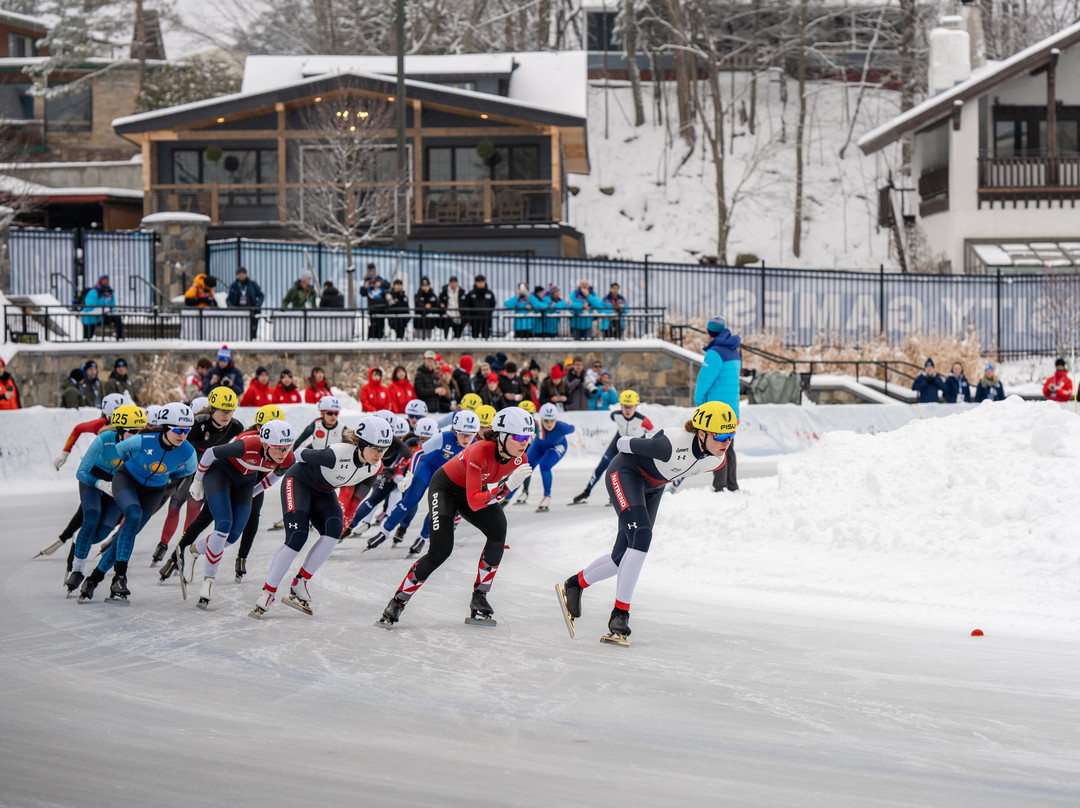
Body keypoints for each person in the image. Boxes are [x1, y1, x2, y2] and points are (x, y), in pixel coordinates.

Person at [556, 401, 735, 642]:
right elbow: (622, 444)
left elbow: (686, 469)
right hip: (625, 473)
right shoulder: (669, 443)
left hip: (654, 488)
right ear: (701, 432)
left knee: (620, 559)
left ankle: (575, 584)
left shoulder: (716, 459)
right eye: (722, 435)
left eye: (731, 435)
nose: (727, 442)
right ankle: (620, 613)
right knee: (642, 537)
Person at [377, 407, 534, 628]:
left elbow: (478, 496)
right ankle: (397, 601)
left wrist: (503, 488)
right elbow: (473, 501)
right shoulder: (479, 450)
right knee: (440, 551)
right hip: (445, 490)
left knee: (498, 530)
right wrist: (506, 486)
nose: (524, 442)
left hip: (474, 490)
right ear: (501, 436)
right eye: (519, 437)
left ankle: (480, 597)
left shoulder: (520, 458)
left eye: (527, 437)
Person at [250, 416, 392, 619]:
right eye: (375, 448)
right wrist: (265, 480)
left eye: (383, 449)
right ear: (361, 444)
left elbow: (359, 483)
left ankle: (301, 582)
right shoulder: (336, 453)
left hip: (324, 492)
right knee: (297, 536)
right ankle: (268, 592)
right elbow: (298, 454)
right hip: (298, 482)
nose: (380, 454)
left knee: (334, 530)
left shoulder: (375, 466)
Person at [77, 403, 197, 603]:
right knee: (133, 515)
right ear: (166, 427)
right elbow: (121, 449)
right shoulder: (144, 440)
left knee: (126, 534)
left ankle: (93, 579)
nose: (182, 435)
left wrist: (167, 475)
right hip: (127, 480)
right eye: (178, 429)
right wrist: (132, 466)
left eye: (186, 430)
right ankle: (119, 577)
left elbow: (188, 470)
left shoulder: (188, 451)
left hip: (154, 491)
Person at [159, 403, 287, 584]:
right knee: (207, 518)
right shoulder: (247, 439)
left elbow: (278, 472)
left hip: (251, 482)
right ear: (259, 428)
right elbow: (216, 456)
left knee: (252, 516)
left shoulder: (282, 445)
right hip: (230, 478)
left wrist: (255, 490)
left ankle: (242, 558)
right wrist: (199, 481)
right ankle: (175, 557)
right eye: (266, 428)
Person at [184, 420, 296, 609]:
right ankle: (209, 580)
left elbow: (275, 476)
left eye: (287, 448)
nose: (283, 453)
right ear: (266, 444)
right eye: (279, 448)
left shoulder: (287, 457)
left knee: (233, 536)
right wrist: (197, 482)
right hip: (219, 474)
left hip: (245, 482)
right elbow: (210, 453)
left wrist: (254, 491)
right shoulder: (248, 444)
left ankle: (193, 551)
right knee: (224, 525)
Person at [362, 410, 480, 553]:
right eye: (463, 434)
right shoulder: (444, 437)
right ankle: (384, 532)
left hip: (446, 476)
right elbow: (418, 452)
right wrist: (410, 475)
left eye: (471, 435)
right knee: (409, 500)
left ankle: (423, 537)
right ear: (455, 430)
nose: (466, 439)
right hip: (428, 468)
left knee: (438, 508)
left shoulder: (476, 446)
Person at [151, 386, 244, 565]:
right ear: (213, 409)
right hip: (185, 463)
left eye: (231, 411)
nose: (227, 415)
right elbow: (173, 440)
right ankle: (163, 545)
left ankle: (182, 548)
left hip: (206, 468)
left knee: (193, 507)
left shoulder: (235, 426)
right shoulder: (198, 422)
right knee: (174, 504)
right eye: (223, 411)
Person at [64, 405, 146, 596]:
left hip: (117, 481)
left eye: (142, 430)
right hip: (93, 478)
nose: (139, 435)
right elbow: (81, 472)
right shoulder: (104, 440)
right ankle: (77, 570)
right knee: (91, 516)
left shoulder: (141, 444)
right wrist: (100, 484)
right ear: (119, 430)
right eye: (133, 431)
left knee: (102, 533)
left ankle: (79, 539)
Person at [572, 389, 654, 505]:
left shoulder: (642, 420)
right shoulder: (615, 415)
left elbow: (653, 431)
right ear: (621, 405)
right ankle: (586, 492)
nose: (627, 410)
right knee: (602, 466)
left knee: (633, 472)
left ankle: (640, 494)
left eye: (630, 407)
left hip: (636, 446)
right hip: (618, 443)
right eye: (625, 406)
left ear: (636, 406)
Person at [694, 315, 742, 494]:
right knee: (729, 446)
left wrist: (699, 402)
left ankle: (719, 486)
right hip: (732, 409)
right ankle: (732, 485)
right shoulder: (734, 352)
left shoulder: (714, 353)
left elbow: (704, 380)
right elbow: (733, 384)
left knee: (718, 447)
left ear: (708, 331)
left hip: (716, 410)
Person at [507, 402, 574, 512]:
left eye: (552, 420)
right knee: (524, 468)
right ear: (541, 419)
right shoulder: (536, 425)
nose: (549, 423)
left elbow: (573, 428)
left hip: (557, 446)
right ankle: (507, 498)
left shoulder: (562, 427)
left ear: (556, 419)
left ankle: (547, 496)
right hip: (539, 446)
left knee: (544, 466)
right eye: (546, 420)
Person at [82, 275, 123, 340]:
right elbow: (90, 306)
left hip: (103, 316)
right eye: (104, 280)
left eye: (107, 280)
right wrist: (102, 309)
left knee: (117, 317)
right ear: (100, 281)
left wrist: (112, 311)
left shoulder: (110, 293)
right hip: (91, 317)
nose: (106, 282)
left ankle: (120, 337)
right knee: (88, 337)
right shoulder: (94, 292)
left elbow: (113, 306)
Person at [361, 263, 390, 338]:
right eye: (369, 270)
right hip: (372, 307)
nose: (371, 272)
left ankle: (380, 337)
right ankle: (372, 338)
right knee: (373, 324)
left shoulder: (380, 278)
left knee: (381, 324)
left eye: (372, 270)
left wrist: (380, 284)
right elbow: (362, 293)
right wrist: (366, 287)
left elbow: (388, 285)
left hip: (382, 306)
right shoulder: (365, 280)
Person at [465, 274, 496, 339]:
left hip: (486, 319)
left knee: (486, 337)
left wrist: (488, 313)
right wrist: (468, 320)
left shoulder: (489, 293)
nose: (480, 284)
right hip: (474, 320)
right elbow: (467, 306)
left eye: (482, 282)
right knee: (475, 338)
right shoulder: (471, 294)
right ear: (475, 282)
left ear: (485, 282)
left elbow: (493, 304)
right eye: (479, 282)